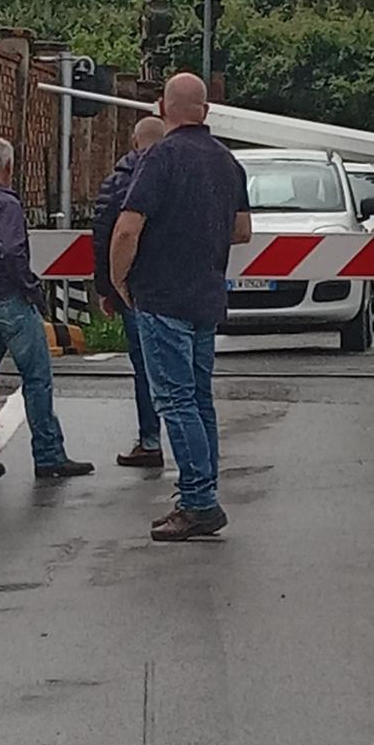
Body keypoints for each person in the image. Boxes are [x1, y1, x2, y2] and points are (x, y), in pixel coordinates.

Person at [109, 73, 252, 542]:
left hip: (163, 296)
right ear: (205, 111)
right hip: (206, 296)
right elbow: (242, 231)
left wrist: (118, 279)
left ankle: (198, 501)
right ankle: (203, 491)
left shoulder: (161, 158)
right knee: (199, 398)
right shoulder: (229, 163)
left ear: (162, 109)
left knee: (174, 400)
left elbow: (128, 228)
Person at [0, 137, 94, 480]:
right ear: (9, 167)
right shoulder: (6, 205)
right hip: (9, 300)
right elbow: (14, 253)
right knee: (37, 377)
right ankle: (48, 455)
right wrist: (33, 291)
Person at [92, 116, 168, 467]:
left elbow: (106, 235)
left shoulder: (119, 180)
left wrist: (107, 287)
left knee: (145, 365)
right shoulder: (179, 175)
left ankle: (150, 440)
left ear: (135, 141)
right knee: (184, 365)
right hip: (177, 285)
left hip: (133, 287)